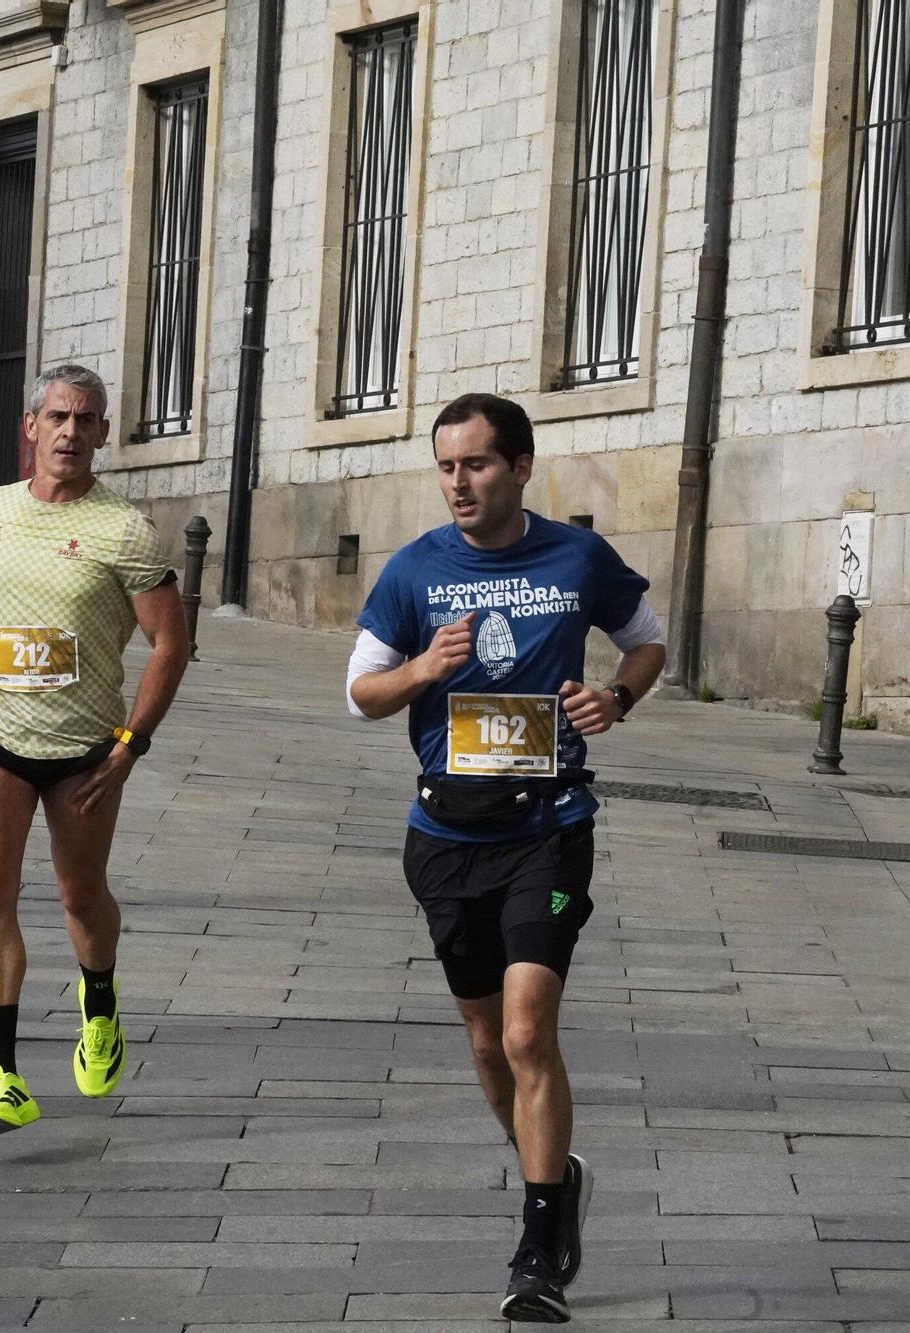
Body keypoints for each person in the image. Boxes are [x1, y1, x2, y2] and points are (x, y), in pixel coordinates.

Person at [346, 392, 666, 1323]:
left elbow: (645, 644)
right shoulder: (414, 571)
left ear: (521, 467)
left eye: (477, 464)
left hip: (549, 825)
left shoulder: (574, 556)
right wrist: (422, 672)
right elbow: (361, 692)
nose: (459, 483)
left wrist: (617, 700)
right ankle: (555, 1177)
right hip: (447, 836)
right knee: (487, 1041)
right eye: (446, 466)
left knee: (528, 1031)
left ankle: (537, 1249)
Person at [0, 363, 191, 1138]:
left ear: (104, 434)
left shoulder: (123, 529)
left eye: (87, 419)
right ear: (29, 427)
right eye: (58, 417)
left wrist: (131, 745)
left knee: (80, 894)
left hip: (84, 746)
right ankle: (1, 1073)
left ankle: (98, 996)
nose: (71, 431)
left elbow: (172, 641)